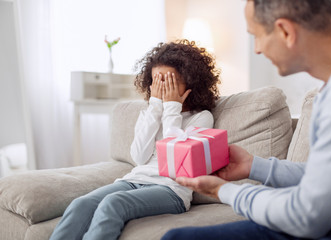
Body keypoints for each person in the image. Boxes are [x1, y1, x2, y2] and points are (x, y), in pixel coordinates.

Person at [161, 1, 331, 240]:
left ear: (285, 31)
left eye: (256, 36)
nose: (256, 49)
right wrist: (253, 166)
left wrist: (224, 191)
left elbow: (306, 216)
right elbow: (327, 178)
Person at [49, 39, 221, 240]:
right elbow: (139, 157)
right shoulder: (150, 113)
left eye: (170, 80)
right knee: (81, 204)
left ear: (190, 82)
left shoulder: (202, 117)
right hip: (134, 181)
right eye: (157, 81)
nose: (163, 87)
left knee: (113, 203)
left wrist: (172, 107)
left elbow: (173, 159)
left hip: (171, 190)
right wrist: (156, 107)